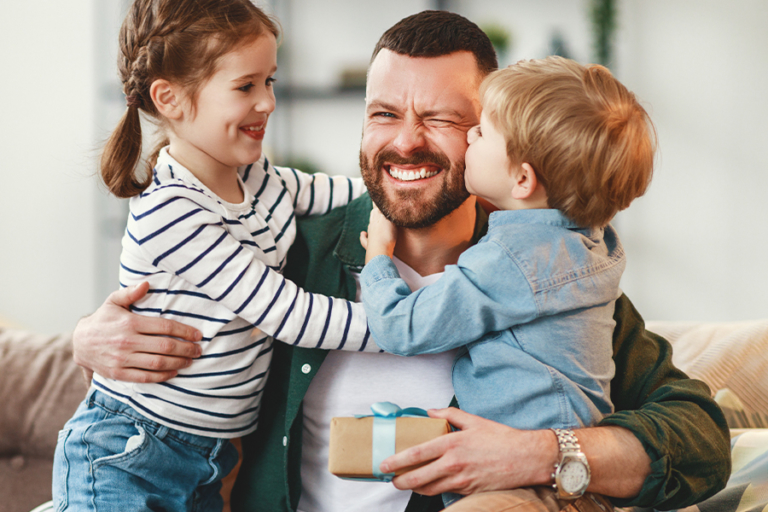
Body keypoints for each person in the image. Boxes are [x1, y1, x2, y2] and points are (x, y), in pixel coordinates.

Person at [71, 10, 731, 512]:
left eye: (444, 119)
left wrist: (539, 454)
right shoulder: (292, 249)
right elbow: (159, 362)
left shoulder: (547, 273)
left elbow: (701, 439)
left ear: (496, 138)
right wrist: (86, 338)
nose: (406, 141)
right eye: (384, 112)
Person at [53, 1, 380, 510]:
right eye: (246, 86)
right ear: (172, 99)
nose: (268, 102)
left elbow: (345, 192)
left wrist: (409, 185)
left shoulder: (256, 177)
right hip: (132, 453)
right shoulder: (172, 211)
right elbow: (286, 312)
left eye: (269, 80)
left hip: (208, 457)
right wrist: (402, 324)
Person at [358, 55, 655, 509]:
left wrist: (378, 257)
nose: (471, 136)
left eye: (480, 130)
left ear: (521, 178)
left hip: (527, 489)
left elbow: (403, 327)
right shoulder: (589, 245)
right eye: (384, 113)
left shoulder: (514, 260)